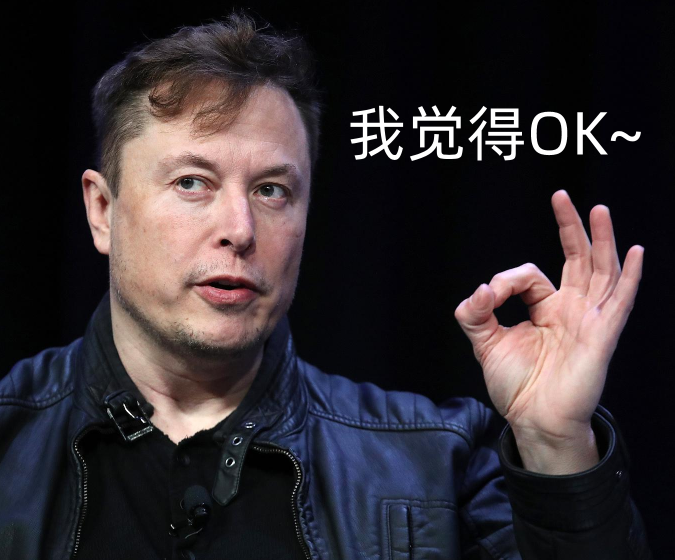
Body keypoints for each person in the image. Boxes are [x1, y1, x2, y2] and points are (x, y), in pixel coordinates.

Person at [0, 12, 652, 560]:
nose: (240, 229)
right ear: (102, 210)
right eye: (192, 182)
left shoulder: (438, 462)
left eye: (271, 190)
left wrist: (556, 445)